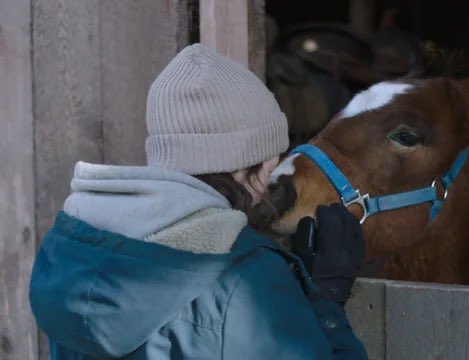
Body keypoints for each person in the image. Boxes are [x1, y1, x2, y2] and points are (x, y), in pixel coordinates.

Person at [29, 44, 367, 360]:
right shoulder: (244, 278)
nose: (268, 180)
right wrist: (327, 301)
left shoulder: (74, 252)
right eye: (270, 161)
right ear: (248, 161)